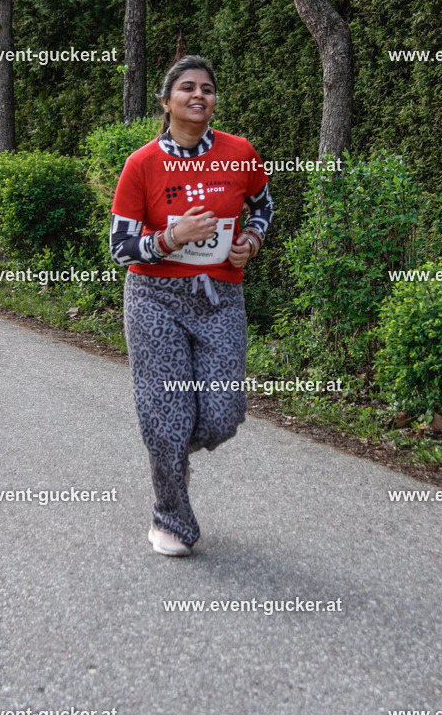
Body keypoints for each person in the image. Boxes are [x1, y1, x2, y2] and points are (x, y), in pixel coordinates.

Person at [110, 55, 274, 556]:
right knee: (164, 415)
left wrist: (252, 238)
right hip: (154, 298)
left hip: (219, 296)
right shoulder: (142, 164)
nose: (198, 94)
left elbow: (264, 206)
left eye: (207, 87)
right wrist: (171, 237)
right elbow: (120, 247)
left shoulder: (240, 153)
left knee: (223, 414)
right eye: (187, 88)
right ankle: (171, 519)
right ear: (167, 101)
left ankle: (173, 451)